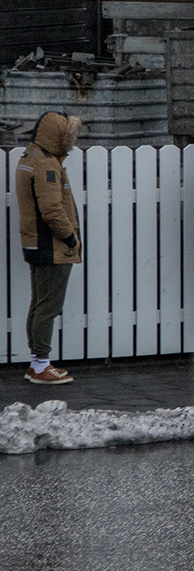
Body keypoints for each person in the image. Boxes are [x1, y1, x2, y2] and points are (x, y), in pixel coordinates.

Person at [15, 111, 82, 384]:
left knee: (39, 303)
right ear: (57, 135)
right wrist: (70, 238)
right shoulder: (47, 165)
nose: (71, 141)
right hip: (51, 245)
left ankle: (36, 363)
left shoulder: (29, 158)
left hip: (35, 242)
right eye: (68, 136)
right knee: (48, 307)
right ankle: (42, 366)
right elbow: (52, 210)